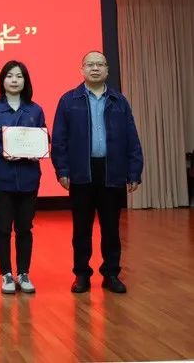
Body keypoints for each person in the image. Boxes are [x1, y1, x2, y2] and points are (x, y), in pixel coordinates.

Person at [52, 51, 143, 294]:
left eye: (100, 64)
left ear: (107, 70)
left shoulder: (119, 101)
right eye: (90, 64)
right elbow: (59, 140)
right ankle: (81, 274)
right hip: (81, 171)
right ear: (81, 70)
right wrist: (62, 170)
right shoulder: (68, 100)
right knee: (81, 228)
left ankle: (111, 273)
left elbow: (132, 138)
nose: (95, 68)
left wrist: (134, 171)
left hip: (112, 170)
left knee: (111, 228)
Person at [0, 60, 46, 294]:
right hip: (1, 178)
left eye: (19, 76)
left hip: (29, 177)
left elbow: (43, 136)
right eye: (9, 76)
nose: (14, 80)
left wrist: (40, 145)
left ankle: (24, 273)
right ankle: (6, 274)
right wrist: (3, 150)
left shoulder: (35, 110)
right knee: (3, 227)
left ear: (25, 81)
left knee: (25, 227)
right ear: (2, 81)